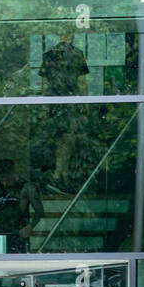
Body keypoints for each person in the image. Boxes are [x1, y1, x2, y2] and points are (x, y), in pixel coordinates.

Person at [39, 32, 89, 190]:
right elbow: (82, 82)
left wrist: (44, 106)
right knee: (67, 137)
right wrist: (84, 102)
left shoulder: (49, 55)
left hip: (55, 100)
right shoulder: (76, 53)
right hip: (69, 100)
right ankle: (60, 174)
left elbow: (44, 83)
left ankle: (59, 173)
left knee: (61, 138)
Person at [0, 158, 43, 252]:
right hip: (0, 232)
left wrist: (30, 227)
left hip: (19, 232)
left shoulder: (27, 187)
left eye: (7, 179)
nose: (5, 183)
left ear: (13, 173)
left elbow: (39, 211)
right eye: (2, 179)